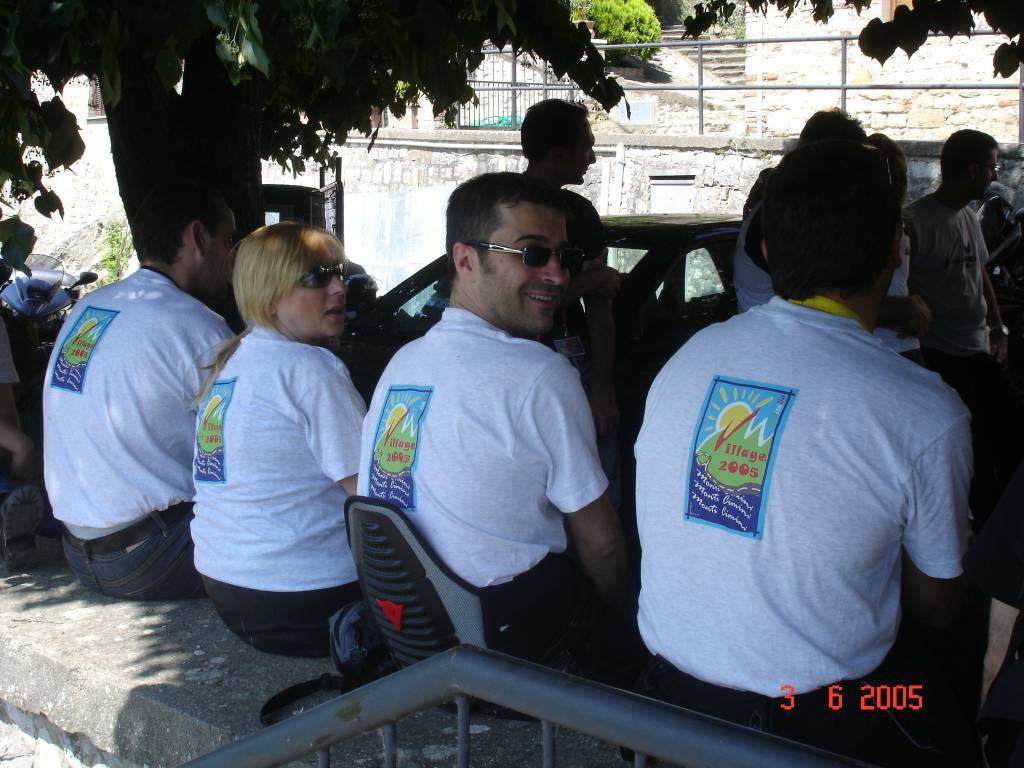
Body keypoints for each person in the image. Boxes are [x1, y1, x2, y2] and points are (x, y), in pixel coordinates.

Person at [634, 141, 977, 766]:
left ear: (765, 250)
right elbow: (936, 602)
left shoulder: (688, 358)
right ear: (896, 249)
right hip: (824, 718)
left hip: (669, 705)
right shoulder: (925, 410)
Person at [358, 172, 636, 681]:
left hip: (415, 637)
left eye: (565, 257)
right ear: (465, 260)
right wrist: (619, 621)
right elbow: (605, 545)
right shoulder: (540, 375)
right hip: (513, 649)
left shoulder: (403, 363)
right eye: (533, 254)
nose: (557, 276)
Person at [43, 180, 234, 600]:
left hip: (79, 550)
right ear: (198, 237)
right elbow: (242, 457)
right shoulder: (197, 327)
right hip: (155, 554)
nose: (231, 256)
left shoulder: (89, 309)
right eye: (228, 239)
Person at [191, 222, 365, 657]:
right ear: (270, 295)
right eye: (316, 277)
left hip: (228, 590)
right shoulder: (312, 370)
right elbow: (371, 496)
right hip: (310, 599)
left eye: (338, 272)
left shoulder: (232, 363)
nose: (338, 288)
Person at [906, 128, 1024, 529]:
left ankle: (998, 520)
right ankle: (984, 526)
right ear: (973, 170)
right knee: (978, 446)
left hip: (976, 347)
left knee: (1007, 431)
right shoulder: (917, 221)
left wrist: (997, 325)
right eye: (992, 167)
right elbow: (904, 285)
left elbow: (980, 271)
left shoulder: (970, 216)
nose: (995, 175)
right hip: (943, 354)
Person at [520, 99, 621, 444]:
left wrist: (602, 388)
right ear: (559, 154)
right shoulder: (501, 209)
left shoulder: (582, 214)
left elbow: (600, 307)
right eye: (587, 148)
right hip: (515, 364)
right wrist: (588, 280)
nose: (592, 159)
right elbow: (508, 306)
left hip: (573, 362)